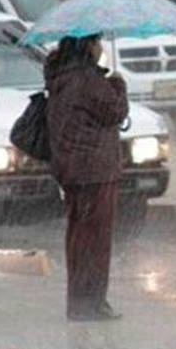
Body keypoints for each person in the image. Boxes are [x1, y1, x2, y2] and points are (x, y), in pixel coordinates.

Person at [45, 33, 129, 322]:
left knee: (79, 236)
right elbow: (115, 111)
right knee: (96, 238)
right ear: (87, 46)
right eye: (98, 42)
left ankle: (79, 299)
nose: (101, 48)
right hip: (95, 170)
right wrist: (118, 83)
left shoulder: (61, 77)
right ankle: (92, 302)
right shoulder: (87, 80)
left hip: (71, 168)